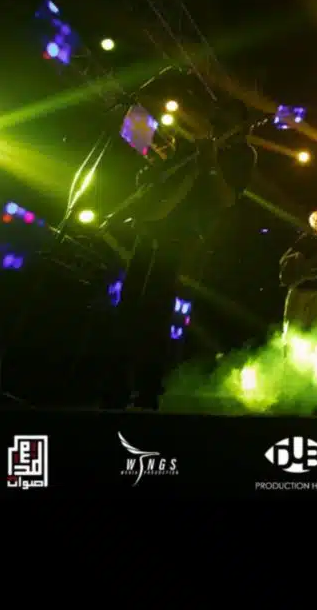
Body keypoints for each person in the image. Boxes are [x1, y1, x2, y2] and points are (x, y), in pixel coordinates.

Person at [105, 96, 257, 410]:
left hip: (184, 235)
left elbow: (227, 200)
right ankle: (115, 387)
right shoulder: (194, 144)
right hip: (152, 226)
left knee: (157, 310)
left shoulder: (242, 153)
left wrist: (210, 164)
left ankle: (148, 391)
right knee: (129, 304)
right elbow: (159, 177)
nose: (217, 117)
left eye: (226, 113)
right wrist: (151, 175)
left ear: (240, 122)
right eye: (217, 112)